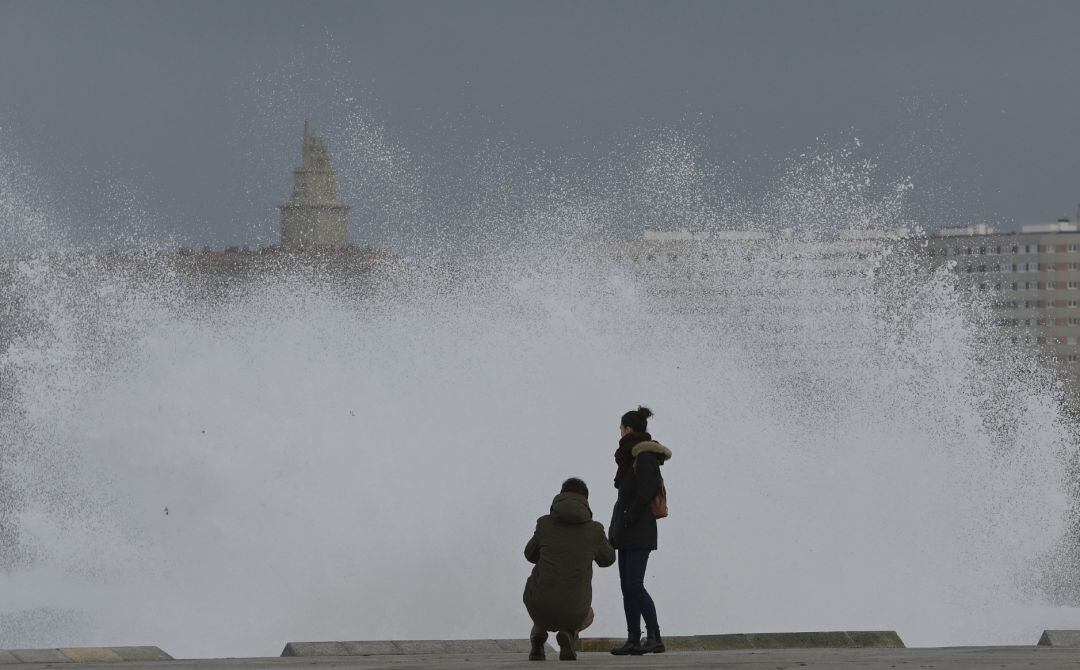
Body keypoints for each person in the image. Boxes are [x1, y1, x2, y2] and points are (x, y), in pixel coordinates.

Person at [524, 477, 616, 661]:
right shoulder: (595, 530)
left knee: (543, 604)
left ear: (561, 496)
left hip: (540, 604)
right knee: (588, 614)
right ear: (585, 501)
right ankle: (569, 633)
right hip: (575, 608)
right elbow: (608, 560)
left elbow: (529, 555)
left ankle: (537, 639)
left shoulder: (544, 524)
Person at [608, 405, 672, 655]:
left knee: (634, 584)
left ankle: (654, 636)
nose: (619, 433)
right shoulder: (630, 458)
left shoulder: (643, 456)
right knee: (627, 586)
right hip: (627, 531)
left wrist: (628, 517)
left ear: (628, 429)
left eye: (621, 428)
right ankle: (633, 638)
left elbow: (646, 490)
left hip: (638, 530)